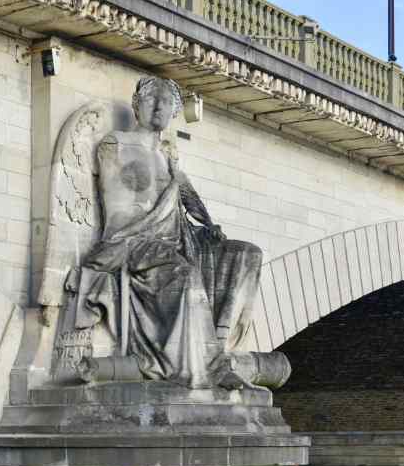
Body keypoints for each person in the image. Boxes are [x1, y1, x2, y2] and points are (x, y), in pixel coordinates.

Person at [71, 76, 263, 389]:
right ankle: (207, 368)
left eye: (167, 102)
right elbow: (118, 213)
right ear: (136, 105)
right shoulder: (116, 144)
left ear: (174, 112)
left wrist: (207, 228)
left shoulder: (168, 157)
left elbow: (187, 204)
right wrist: (161, 219)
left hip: (179, 237)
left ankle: (218, 351)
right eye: (152, 99)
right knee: (185, 275)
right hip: (135, 242)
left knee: (247, 255)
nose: (159, 107)